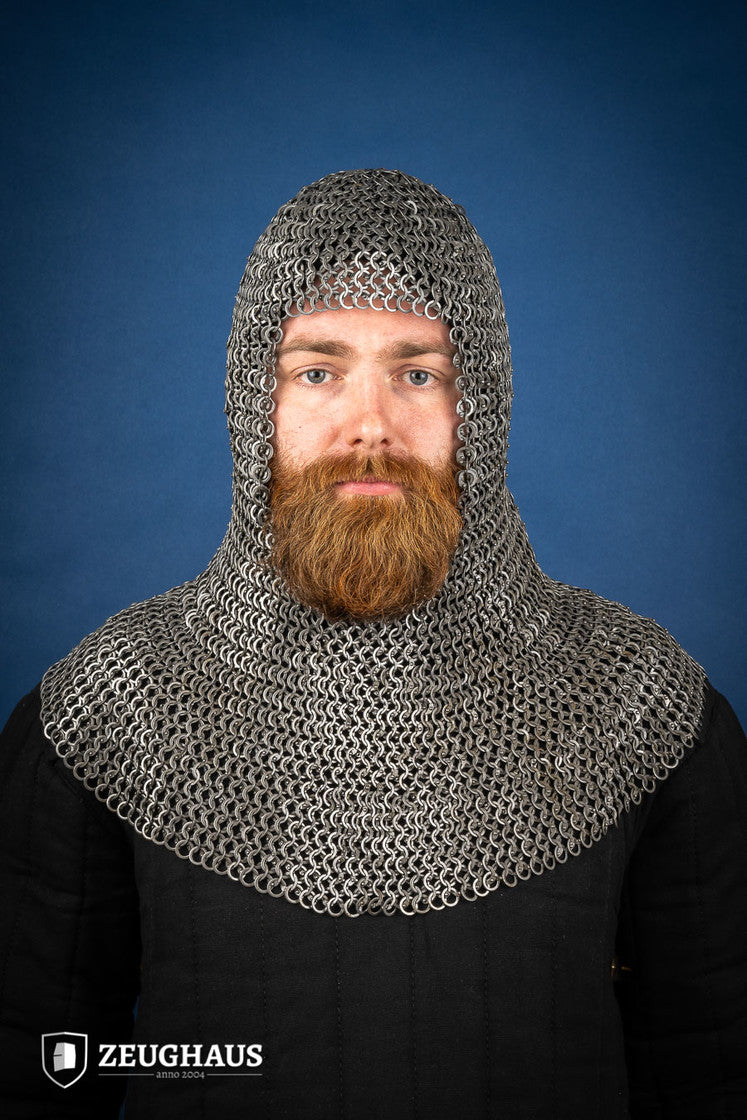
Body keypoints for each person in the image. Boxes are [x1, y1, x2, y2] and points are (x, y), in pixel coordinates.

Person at [1, 169, 745, 1119]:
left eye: (417, 373)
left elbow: (713, 1071)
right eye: (317, 371)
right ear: (254, 405)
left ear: (478, 408)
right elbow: (39, 1071)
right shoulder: (112, 711)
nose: (369, 426)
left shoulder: (638, 708)